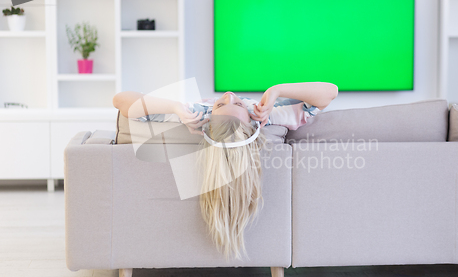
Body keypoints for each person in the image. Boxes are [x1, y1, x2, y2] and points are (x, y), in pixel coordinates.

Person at [113, 82, 338, 259]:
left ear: (209, 122)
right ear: (253, 124)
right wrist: (275, 92)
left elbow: (120, 100)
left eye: (221, 105)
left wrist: (175, 108)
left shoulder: (197, 114)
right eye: (239, 104)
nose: (229, 95)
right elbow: (329, 92)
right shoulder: (268, 116)